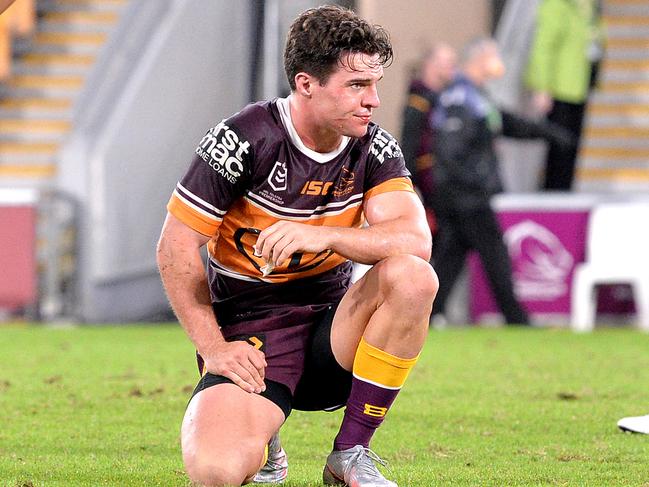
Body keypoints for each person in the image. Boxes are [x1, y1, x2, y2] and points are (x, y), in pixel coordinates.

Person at [156, 5, 438, 487]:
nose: (372, 101)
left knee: (413, 276)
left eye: (375, 85)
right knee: (215, 473)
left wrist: (324, 235)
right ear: (306, 84)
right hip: (253, 335)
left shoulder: (374, 146)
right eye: (356, 86)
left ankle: (350, 452)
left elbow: (415, 240)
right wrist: (214, 348)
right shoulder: (243, 138)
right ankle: (266, 438)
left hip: (335, 330)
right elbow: (175, 249)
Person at [430, 38, 573, 326]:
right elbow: (450, 151)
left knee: (451, 257)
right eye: (494, 56)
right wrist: (476, 184)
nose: (499, 63)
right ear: (480, 58)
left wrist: (548, 133)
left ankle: (428, 313)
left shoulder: (476, 96)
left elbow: (505, 123)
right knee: (494, 254)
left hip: (463, 194)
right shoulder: (461, 97)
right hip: (465, 195)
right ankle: (516, 318)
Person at [525, 0, 605, 190]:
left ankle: (564, 190)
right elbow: (543, 45)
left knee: (571, 147)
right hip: (559, 87)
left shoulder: (591, 6)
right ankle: (553, 193)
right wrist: (542, 86)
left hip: (579, 84)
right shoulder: (557, 4)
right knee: (558, 146)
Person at [400, 43, 457, 211]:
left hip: (444, 184)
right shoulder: (418, 103)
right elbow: (409, 146)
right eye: (450, 64)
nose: (453, 70)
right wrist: (410, 185)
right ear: (432, 65)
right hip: (428, 184)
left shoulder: (444, 100)